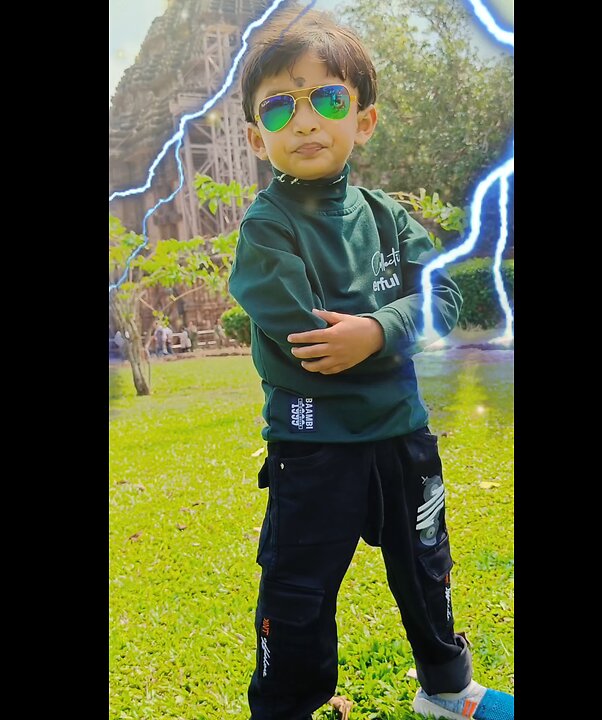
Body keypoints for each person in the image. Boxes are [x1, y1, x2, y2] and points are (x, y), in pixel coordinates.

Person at [228, 9, 513, 720]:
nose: (305, 120)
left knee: (427, 563)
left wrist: (379, 328)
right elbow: (311, 340)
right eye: (279, 107)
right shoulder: (267, 228)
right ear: (257, 137)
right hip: (314, 447)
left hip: (403, 434)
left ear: (364, 121)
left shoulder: (389, 218)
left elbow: (443, 294)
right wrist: (389, 333)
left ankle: (446, 687)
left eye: (328, 99)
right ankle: (288, 705)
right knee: (298, 587)